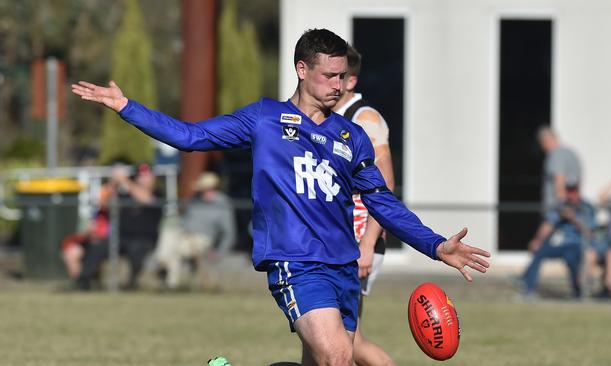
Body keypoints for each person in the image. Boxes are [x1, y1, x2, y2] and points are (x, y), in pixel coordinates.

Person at [72, 28, 490, 365]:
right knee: (337, 357)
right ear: (301, 69)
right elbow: (190, 136)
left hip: (343, 266)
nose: (339, 86)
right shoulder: (264, 120)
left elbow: (383, 201)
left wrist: (435, 245)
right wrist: (128, 107)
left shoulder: (352, 136)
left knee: (326, 361)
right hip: (296, 261)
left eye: (344, 77)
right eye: (330, 76)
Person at [333, 45, 395, 366]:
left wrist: (368, 242)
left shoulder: (364, 118)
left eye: (336, 76)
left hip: (360, 241)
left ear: (351, 81)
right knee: (326, 343)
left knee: (348, 343)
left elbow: (385, 185)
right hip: (342, 241)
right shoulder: (332, 118)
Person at [77, 164, 163, 290]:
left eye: (147, 176)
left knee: (136, 250)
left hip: (144, 239)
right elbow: (105, 204)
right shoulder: (126, 195)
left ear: (153, 178)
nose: (143, 179)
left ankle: (132, 284)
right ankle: (83, 283)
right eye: (140, 176)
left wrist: (124, 180)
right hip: (121, 238)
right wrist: (113, 183)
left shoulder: (158, 193)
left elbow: (146, 199)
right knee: (96, 246)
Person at [153, 171, 236, 289]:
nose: (205, 192)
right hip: (183, 234)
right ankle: (163, 263)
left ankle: (170, 281)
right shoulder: (195, 201)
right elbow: (184, 220)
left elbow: (229, 233)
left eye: (208, 189)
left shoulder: (223, 205)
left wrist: (219, 252)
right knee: (168, 231)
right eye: (203, 189)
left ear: (215, 188)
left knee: (174, 250)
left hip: (202, 240)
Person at [522, 181, 594, 298]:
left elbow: (590, 232)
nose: (570, 195)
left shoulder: (586, 207)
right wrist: (537, 240)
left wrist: (574, 219)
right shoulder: (560, 207)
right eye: (568, 191)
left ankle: (577, 293)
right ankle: (528, 290)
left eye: (573, 191)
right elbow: (547, 225)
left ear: (578, 191)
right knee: (539, 251)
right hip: (558, 245)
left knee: (572, 259)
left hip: (575, 245)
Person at [537, 127, 581, 212]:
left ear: (545, 141)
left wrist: (561, 209)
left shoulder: (556, 155)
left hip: (559, 212)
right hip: (570, 209)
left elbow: (559, 181)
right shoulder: (568, 153)